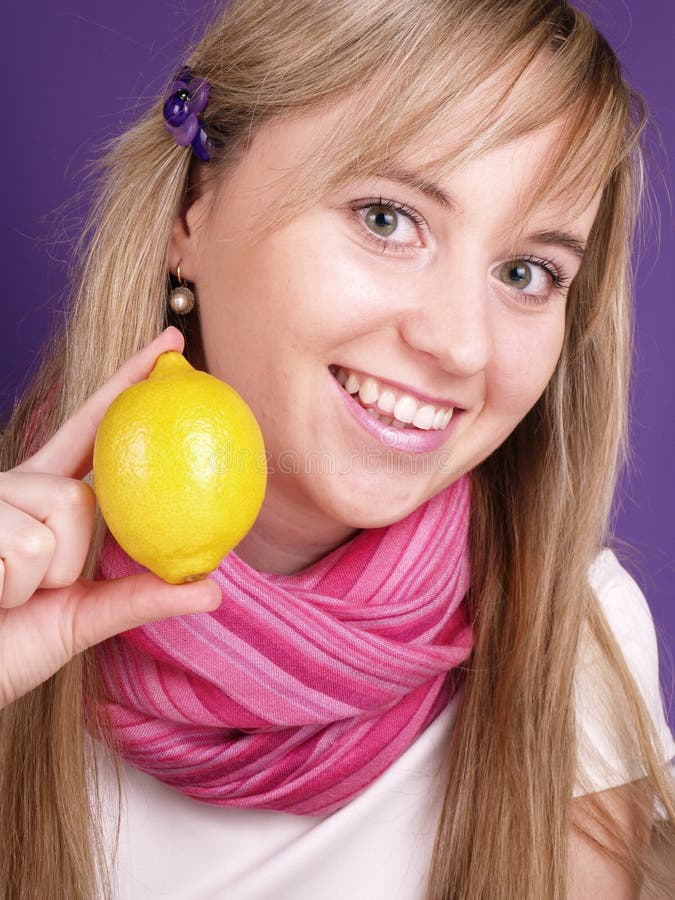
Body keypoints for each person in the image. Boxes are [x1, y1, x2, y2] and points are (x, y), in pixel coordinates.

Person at [1, 0, 674, 897]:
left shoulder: (571, 635)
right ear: (192, 210)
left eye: (526, 272)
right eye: (388, 218)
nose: (460, 345)